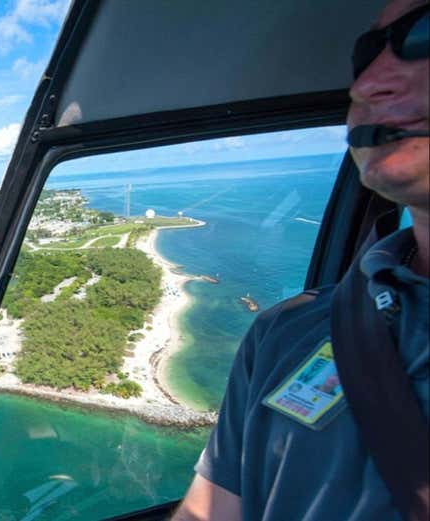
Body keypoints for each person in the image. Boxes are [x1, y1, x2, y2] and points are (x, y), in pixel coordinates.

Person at [171, 0, 429, 519]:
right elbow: (211, 511)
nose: (365, 85)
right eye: (365, 54)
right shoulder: (288, 331)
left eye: (423, 32)